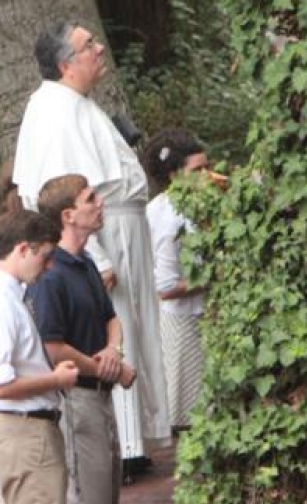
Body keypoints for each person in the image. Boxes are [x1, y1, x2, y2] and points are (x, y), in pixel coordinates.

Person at [12, 20, 171, 466]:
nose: (99, 49)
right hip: (105, 237)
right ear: (66, 64)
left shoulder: (77, 105)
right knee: (114, 325)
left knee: (136, 327)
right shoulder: (54, 112)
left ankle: (137, 436)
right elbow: (64, 195)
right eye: (88, 46)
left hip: (122, 228)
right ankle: (126, 444)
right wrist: (94, 253)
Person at [29, 174, 138, 504]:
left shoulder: (87, 262)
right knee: (90, 492)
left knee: (108, 486)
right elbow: (53, 348)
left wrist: (112, 351)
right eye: (91, 198)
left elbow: (111, 318)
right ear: (68, 215)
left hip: (102, 393)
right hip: (76, 398)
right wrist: (107, 369)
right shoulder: (50, 275)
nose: (100, 203)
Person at [0, 209, 79, 504]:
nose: (49, 266)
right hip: (23, 429)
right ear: (23, 249)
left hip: (28, 428)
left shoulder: (8, 297)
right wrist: (55, 379)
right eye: (45, 256)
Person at [141, 129, 210, 433]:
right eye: (198, 170)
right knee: (190, 410)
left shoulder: (176, 206)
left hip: (195, 315)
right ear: (173, 175)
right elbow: (166, 286)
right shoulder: (170, 218)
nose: (207, 175)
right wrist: (213, 279)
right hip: (182, 321)